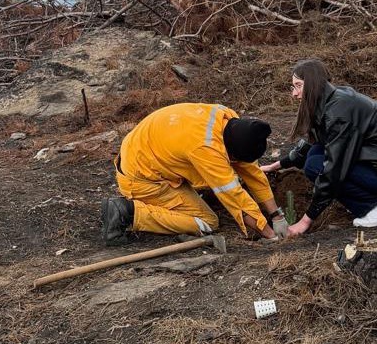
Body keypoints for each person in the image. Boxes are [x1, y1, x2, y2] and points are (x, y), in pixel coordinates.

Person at [261, 59, 377, 234]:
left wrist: (305, 221)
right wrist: (279, 164)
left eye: (299, 85)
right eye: (293, 87)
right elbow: (313, 141)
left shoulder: (339, 112)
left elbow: (334, 171)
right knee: (314, 154)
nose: (294, 94)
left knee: (315, 166)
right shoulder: (331, 99)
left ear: (313, 84)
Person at [101, 102, 291, 246]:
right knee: (208, 222)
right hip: (141, 177)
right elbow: (235, 199)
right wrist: (270, 235)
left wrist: (277, 216)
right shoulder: (206, 149)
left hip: (144, 153)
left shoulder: (229, 119)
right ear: (231, 154)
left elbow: (252, 172)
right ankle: (128, 212)